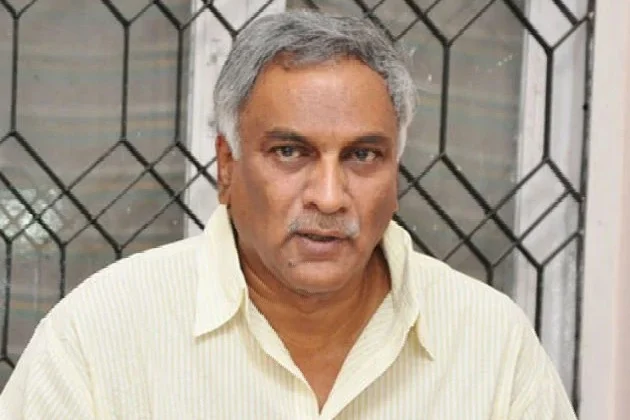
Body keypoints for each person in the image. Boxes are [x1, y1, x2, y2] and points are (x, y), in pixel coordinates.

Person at [0, 10, 576, 420]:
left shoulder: (490, 343)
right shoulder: (100, 336)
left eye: (362, 156)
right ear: (227, 167)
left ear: (395, 174)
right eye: (290, 152)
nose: (328, 197)